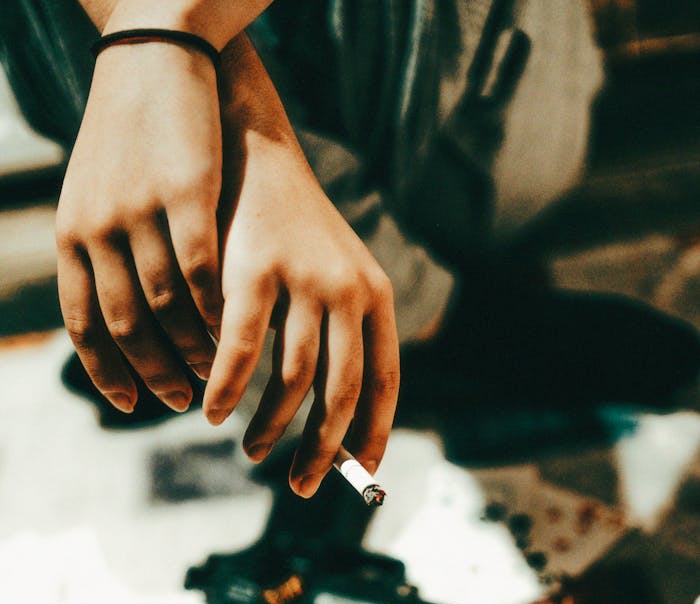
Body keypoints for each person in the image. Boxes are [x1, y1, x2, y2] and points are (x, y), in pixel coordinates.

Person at [0, 0, 604, 494]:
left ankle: (447, 322)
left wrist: (166, 51)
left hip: (480, 152)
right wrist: (177, 60)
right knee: (276, 339)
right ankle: (441, 324)